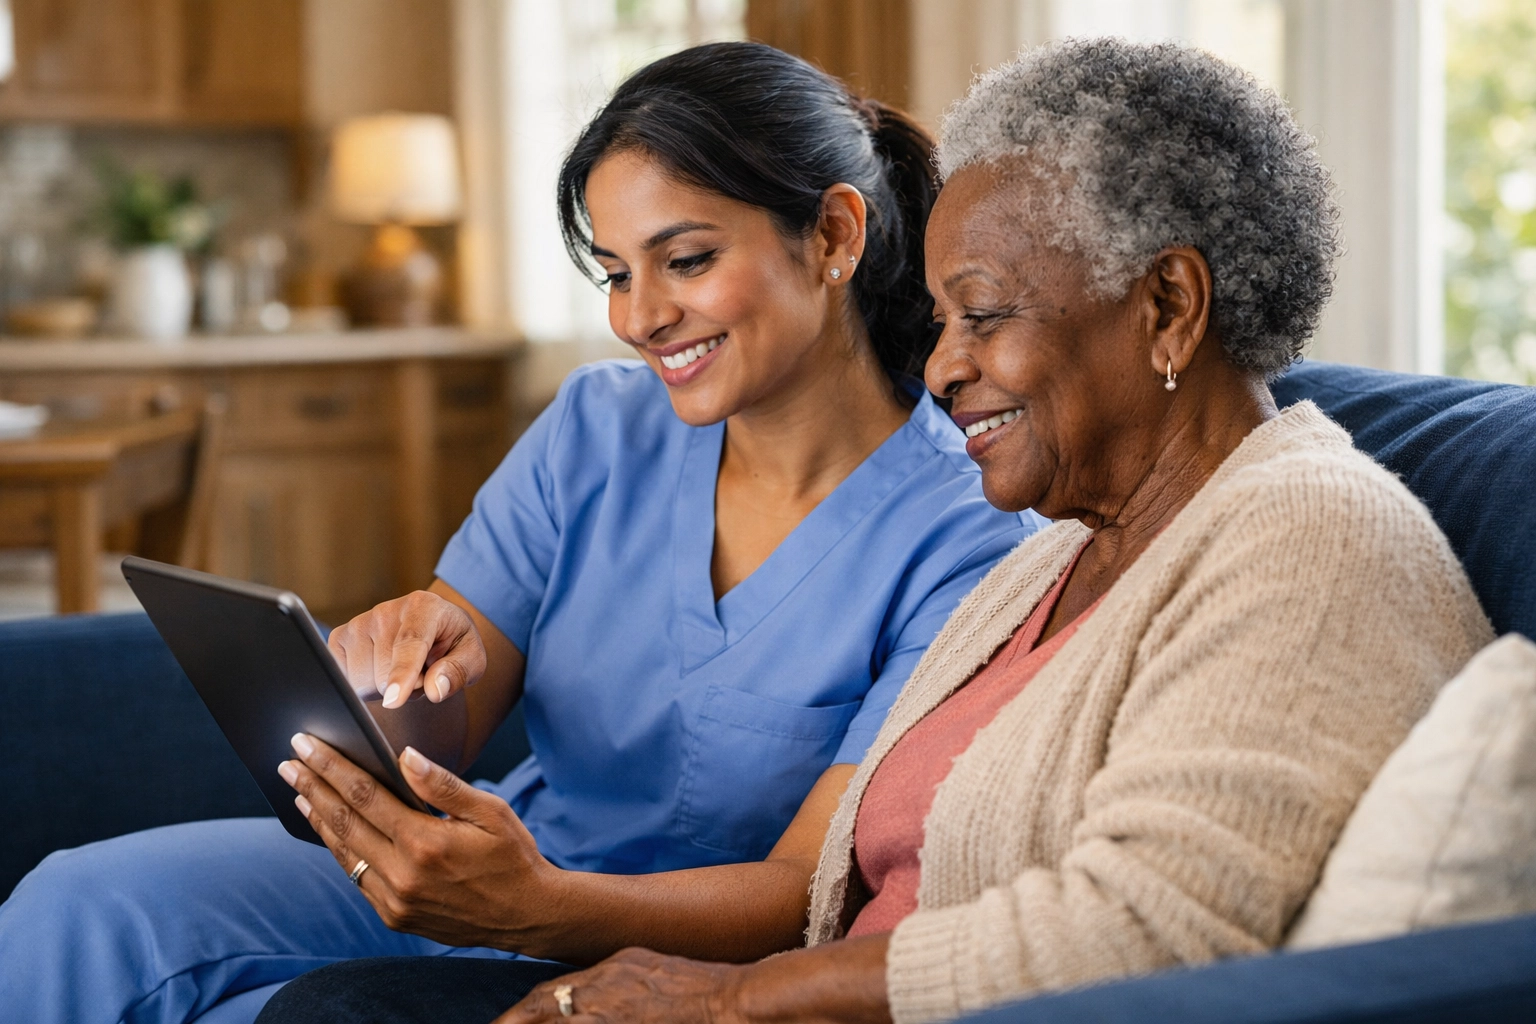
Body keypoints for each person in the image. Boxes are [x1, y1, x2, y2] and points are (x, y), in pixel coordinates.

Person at [0, 43, 1039, 1024]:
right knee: (80, 904)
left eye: (684, 260)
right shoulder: (597, 426)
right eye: (616, 272)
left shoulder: (967, 539)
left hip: (637, 945)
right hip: (472, 865)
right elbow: (447, 714)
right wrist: (388, 689)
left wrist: (543, 905)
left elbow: (802, 887)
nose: (641, 317)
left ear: (835, 237)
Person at [470, 37, 1493, 1024]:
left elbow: (1144, 930)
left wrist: (727, 999)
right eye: (940, 321)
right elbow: (835, 886)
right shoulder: (1059, 552)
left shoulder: (1311, 537)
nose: (943, 367)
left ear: (1168, 305)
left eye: (985, 315)